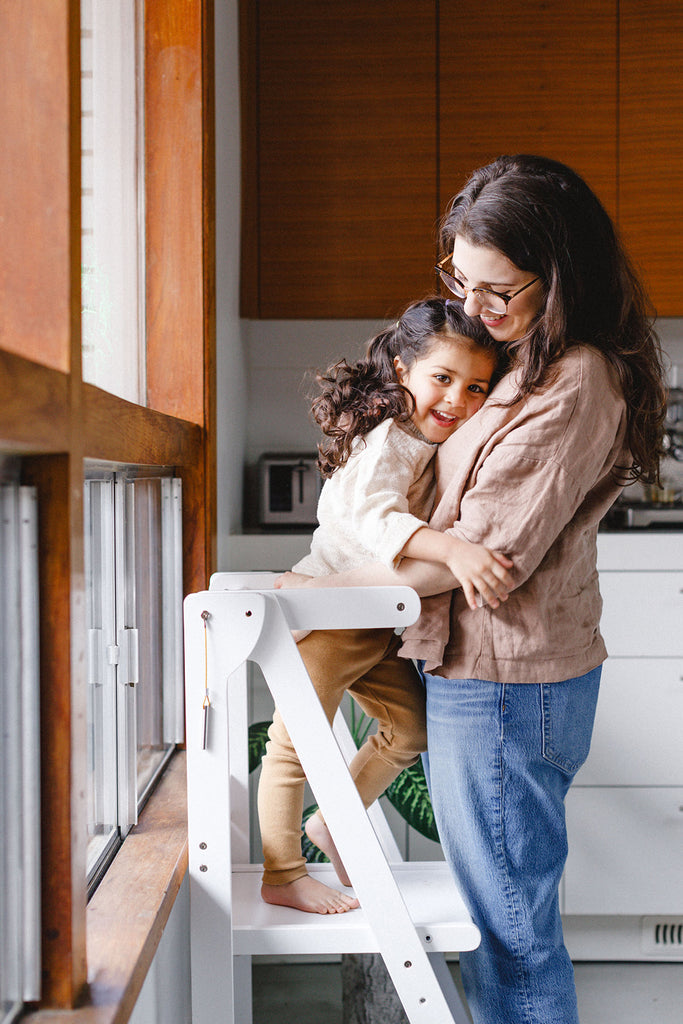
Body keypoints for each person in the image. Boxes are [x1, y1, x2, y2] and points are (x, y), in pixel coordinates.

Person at [276, 155, 668, 1021]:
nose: (477, 311)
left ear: (559, 276)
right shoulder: (522, 358)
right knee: (504, 929)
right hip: (481, 672)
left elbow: (485, 554)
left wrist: (318, 588)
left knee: (512, 940)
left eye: (500, 291)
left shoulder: (574, 380)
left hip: (503, 680)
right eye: (461, 279)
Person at [258, 297, 515, 916]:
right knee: (293, 747)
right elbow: (377, 520)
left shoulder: (421, 439)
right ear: (402, 371)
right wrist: (454, 551)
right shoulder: (390, 438)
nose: (457, 399)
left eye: (476, 386)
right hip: (326, 618)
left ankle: (330, 828)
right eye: (443, 379)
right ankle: (283, 873)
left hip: (373, 621)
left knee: (414, 728)